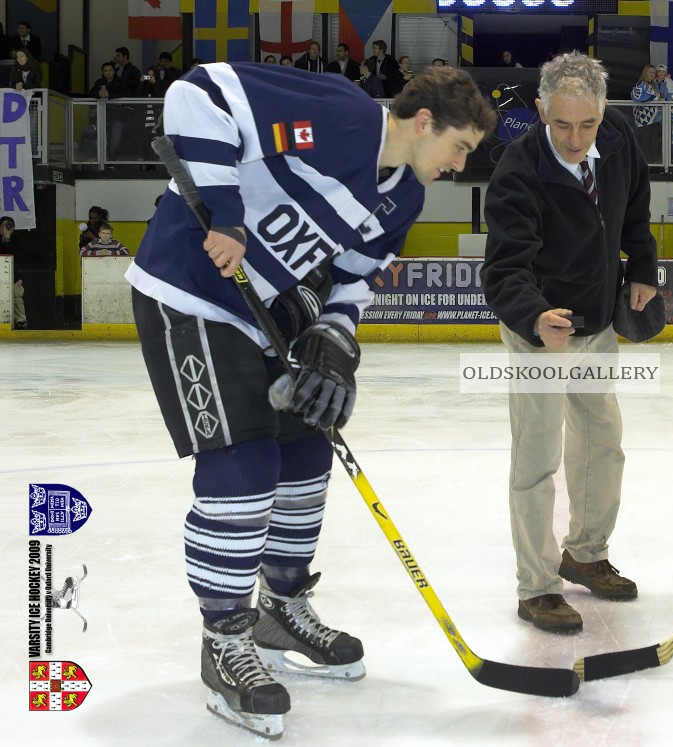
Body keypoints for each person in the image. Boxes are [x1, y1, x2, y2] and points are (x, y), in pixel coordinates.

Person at [125, 62, 494, 739]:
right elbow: (200, 95)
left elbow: (355, 277)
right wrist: (227, 217)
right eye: (459, 146)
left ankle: (281, 608)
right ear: (422, 122)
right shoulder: (343, 115)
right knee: (243, 468)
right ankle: (224, 636)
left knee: (304, 456)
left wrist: (334, 338)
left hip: (267, 307)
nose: (460, 164)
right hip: (190, 291)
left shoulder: (403, 195)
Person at [481, 52, 658, 635]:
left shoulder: (619, 139)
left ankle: (585, 552)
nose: (576, 137)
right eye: (561, 125)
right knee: (537, 460)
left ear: (603, 111)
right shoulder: (518, 168)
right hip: (541, 335)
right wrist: (535, 317)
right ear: (540, 110)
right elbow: (505, 269)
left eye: (586, 124)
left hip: (597, 324)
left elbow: (635, 211)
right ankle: (537, 586)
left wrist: (642, 268)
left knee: (602, 445)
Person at [630, 64, 663, 164]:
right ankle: (645, 166)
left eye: (654, 72)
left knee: (655, 143)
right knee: (645, 144)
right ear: (645, 73)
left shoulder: (654, 85)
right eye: (650, 72)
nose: (652, 74)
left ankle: (655, 165)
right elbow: (636, 97)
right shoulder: (641, 84)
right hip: (644, 121)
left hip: (654, 119)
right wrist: (653, 98)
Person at [0, 216, 28, 329]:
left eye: (9, 226)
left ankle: (20, 320)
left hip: (13, 276)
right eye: (3, 226)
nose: (6, 228)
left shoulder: (17, 240)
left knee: (17, 296)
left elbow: (11, 254)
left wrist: (7, 237)